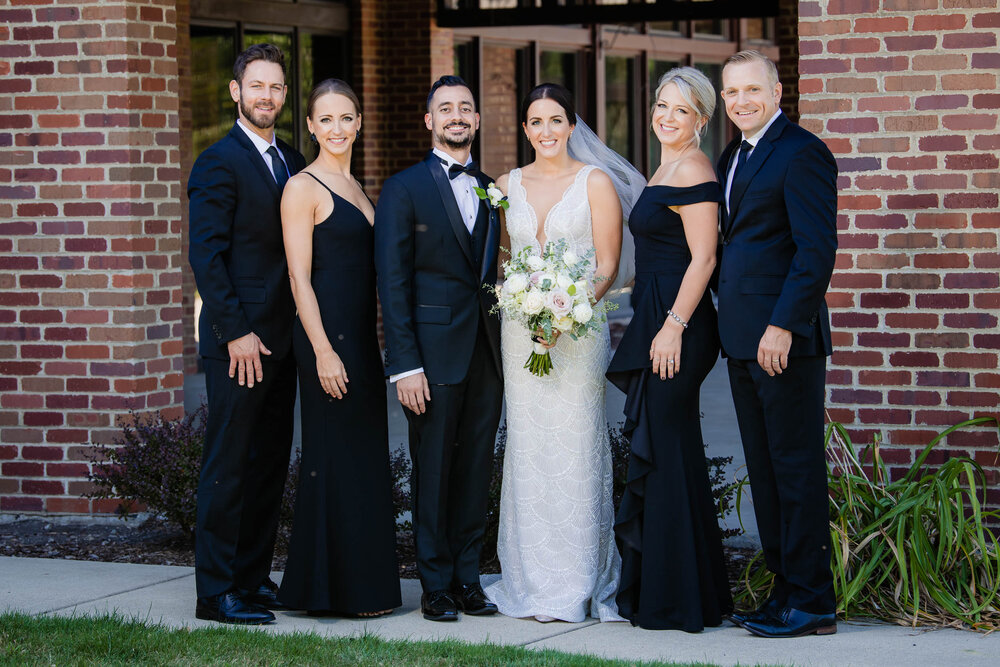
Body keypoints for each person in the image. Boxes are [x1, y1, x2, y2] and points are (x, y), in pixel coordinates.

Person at [484, 83, 636, 623]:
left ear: (572, 125)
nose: (545, 131)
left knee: (575, 445)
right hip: (521, 332)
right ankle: (527, 578)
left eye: (555, 120)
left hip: (579, 332)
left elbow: (608, 265)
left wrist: (565, 315)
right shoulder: (506, 185)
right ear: (524, 129)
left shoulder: (595, 183)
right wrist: (530, 311)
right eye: (535, 121)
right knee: (527, 448)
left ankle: (576, 579)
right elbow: (503, 262)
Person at [715, 50, 838, 638]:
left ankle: (813, 601)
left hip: (782, 340)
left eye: (752, 90)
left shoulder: (803, 152)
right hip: (742, 340)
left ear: (777, 90)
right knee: (764, 474)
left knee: (795, 473)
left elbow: (816, 253)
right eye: (732, 92)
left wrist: (783, 324)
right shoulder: (733, 155)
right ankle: (784, 595)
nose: (742, 101)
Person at [606, 67, 733, 632]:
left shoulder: (695, 167)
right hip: (657, 314)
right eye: (661, 104)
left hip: (680, 324)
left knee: (665, 442)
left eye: (681, 110)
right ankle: (687, 591)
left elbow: (704, 257)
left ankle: (675, 599)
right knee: (669, 446)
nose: (666, 116)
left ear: (701, 120)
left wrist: (674, 325)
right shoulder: (664, 166)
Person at [374, 75, 503, 623]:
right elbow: (392, 282)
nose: (456, 116)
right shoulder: (403, 188)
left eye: (465, 108)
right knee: (433, 471)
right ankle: (435, 585)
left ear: (476, 120)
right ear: (429, 121)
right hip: (429, 357)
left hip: (486, 353)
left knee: (475, 468)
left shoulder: (492, 186)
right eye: (445, 109)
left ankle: (468, 579)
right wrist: (404, 365)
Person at [188, 43, 305, 625]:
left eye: (276, 87)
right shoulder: (217, 161)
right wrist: (234, 331)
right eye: (256, 85)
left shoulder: (293, 159)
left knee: (266, 465)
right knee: (229, 466)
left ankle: (253, 579)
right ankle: (216, 591)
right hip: (239, 345)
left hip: (282, 342)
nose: (267, 96)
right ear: (235, 91)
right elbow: (206, 257)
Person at [276, 79, 401, 617]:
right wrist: (323, 350)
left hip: (362, 344)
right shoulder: (302, 187)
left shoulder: (355, 187)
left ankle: (360, 586)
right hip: (328, 343)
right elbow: (299, 280)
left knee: (361, 462)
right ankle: (330, 590)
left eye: (346, 118)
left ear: (358, 122)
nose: (337, 129)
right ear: (309, 125)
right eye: (325, 119)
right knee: (333, 460)